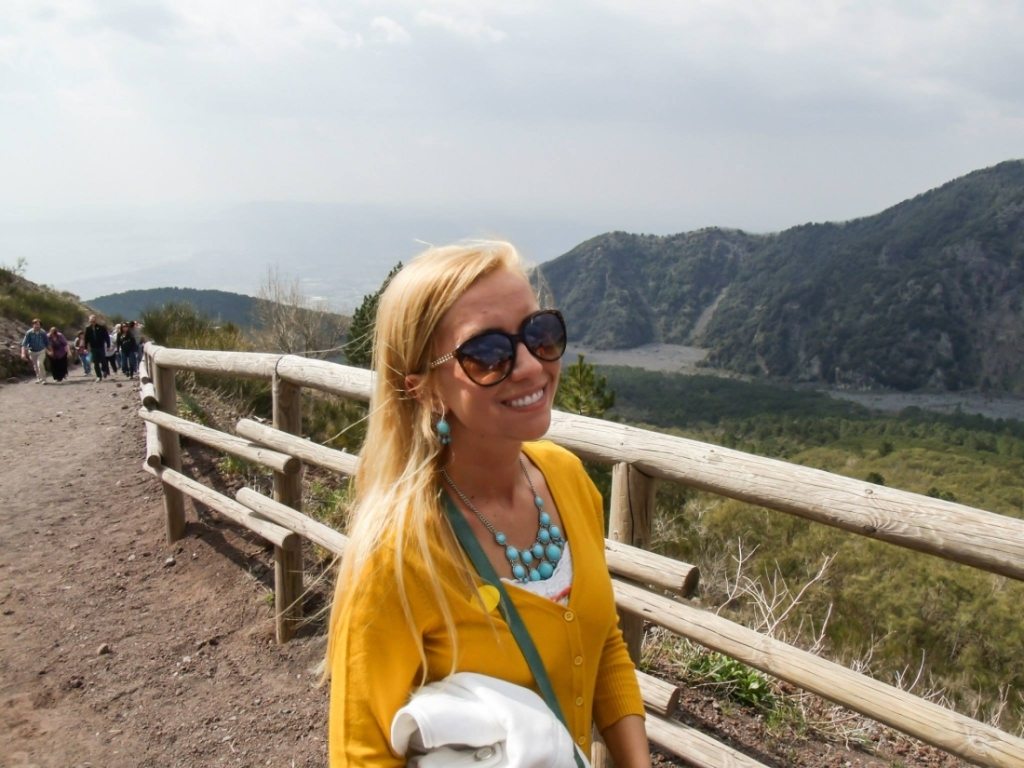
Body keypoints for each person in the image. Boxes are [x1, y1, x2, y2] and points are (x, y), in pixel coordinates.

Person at [326, 242, 650, 767]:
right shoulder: (396, 552)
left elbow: (604, 641)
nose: (529, 366)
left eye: (539, 334)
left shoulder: (567, 479)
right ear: (423, 389)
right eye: (487, 353)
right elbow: (360, 753)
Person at [20, 318, 50, 383]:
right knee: (35, 365)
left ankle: (44, 379)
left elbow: (47, 343)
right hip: (32, 351)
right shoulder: (29, 333)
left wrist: (50, 351)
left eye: (38, 325)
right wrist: (23, 354)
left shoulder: (43, 332)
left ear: (40, 325)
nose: (37, 326)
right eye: (35, 324)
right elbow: (24, 344)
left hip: (41, 351)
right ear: (33, 325)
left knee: (40, 364)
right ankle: (38, 378)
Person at [83, 314, 110, 382]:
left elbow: (106, 337)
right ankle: (98, 376)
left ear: (96, 320)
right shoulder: (88, 328)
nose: (93, 322)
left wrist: (108, 345)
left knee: (103, 360)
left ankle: (104, 370)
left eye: (94, 320)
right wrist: (85, 347)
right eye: (91, 321)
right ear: (89, 321)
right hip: (93, 347)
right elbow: (86, 339)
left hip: (101, 346)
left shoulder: (101, 327)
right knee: (96, 362)